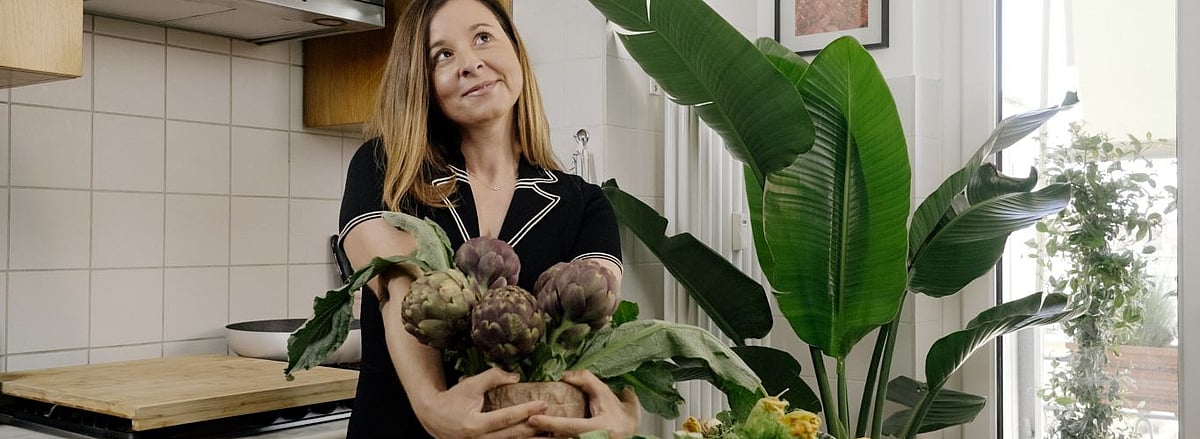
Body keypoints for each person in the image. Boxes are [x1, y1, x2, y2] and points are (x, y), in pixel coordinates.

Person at [336, 0, 641, 437]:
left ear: (515, 51)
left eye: (483, 37)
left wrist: (625, 411)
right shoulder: (385, 169)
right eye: (443, 55)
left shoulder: (584, 202)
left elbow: (593, 326)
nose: (470, 63)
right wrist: (432, 406)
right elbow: (400, 283)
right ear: (421, 81)